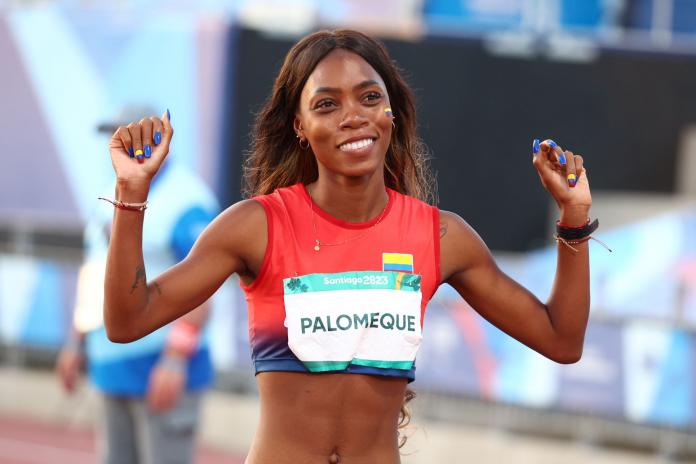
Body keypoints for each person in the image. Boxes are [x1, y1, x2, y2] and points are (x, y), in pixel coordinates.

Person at [102, 30, 594, 464]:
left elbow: (561, 340)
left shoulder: (440, 237)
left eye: (368, 97)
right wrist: (131, 192)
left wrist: (573, 220)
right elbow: (127, 320)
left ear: (391, 114)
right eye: (326, 104)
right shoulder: (256, 226)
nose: (353, 117)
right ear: (299, 126)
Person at [56, 106, 219, 464]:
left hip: (158, 366)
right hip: (110, 364)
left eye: (127, 134)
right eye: (113, 134)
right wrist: (77, 340)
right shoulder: (111, 191)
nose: (116, 143)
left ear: (157, 138)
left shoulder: (186, 200)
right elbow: (97, 271)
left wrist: (175, 359)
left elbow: (204, 283)